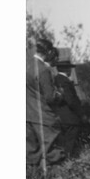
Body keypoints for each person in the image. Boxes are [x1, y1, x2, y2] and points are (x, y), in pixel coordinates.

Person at [26, 39, 65, 168]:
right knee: (53, 154)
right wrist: (59, 94)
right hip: (43, 116)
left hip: (27, 116)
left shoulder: (26, 65)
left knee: (30, 155)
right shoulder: (43, 70)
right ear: (47, 52)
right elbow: (50, 97)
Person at [53, 59, 87, 159]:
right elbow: (71, 100)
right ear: (67, 69)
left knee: (61, 143)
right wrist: (81, 114)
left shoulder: (56, 79)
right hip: (69, 117)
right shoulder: (65, 81)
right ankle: (68, 161)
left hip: (59, 115)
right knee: (69, 144)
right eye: (70, 68)